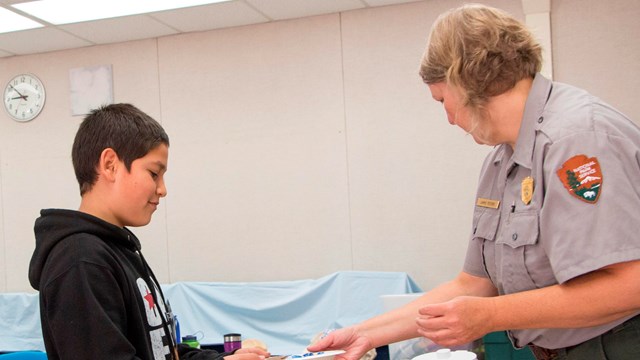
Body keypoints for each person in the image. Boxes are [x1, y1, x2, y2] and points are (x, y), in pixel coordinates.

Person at [308, 4, 640, 360]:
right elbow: (474, 284)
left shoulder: (576, 138)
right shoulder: (502, 162)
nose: (449, 119)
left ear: (466, 80)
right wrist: (365, 334)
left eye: (442, 100)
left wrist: (490, 316)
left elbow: (629, 284)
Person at [28, 104, 270, 360]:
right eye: (154, 173)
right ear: (110, 165)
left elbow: (160, 352)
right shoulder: (81, 261)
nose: (162, 189)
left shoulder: (120, 250)